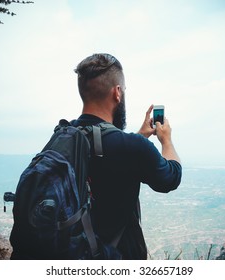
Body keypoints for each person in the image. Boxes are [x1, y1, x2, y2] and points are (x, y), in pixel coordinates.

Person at [72, 53, 182, 259]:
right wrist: (166, 140)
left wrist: (139, 138)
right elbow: (171, 178)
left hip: (71, 252)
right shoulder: (131, 147)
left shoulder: (65, 135)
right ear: (117, 93)